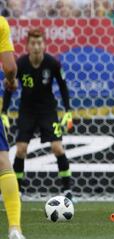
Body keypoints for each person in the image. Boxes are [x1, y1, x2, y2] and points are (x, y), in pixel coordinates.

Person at [1, 28, 74, 201]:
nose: (36, 46)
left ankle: (67, 188)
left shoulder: (53, 63)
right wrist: (4, 111)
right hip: (26, 110)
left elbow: (63, 86)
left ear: (44, 44)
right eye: (33, 43)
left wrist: (68, 110)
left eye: (39, 43)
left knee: (57, 147)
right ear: (27, 45)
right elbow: (10, 86)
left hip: (48, 110)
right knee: (21, 150)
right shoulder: (20, 64)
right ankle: (17, 190)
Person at [0, 16, 25, 239]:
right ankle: (14, 228)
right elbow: (9, 67)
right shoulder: (0, 23)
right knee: (3, 162)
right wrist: (11, 80)